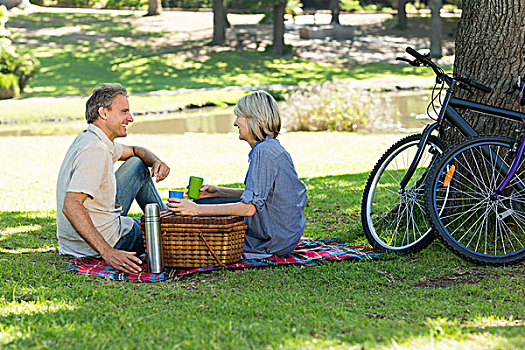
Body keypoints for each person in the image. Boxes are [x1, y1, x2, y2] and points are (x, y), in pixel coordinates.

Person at [167, 90, 307, 259]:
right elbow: (266, 196)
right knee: (212, 200)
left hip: (272, 241)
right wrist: (218, 192)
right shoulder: (269, 147)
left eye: (239, 116)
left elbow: (248, 208)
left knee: (198, 227)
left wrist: (195, 210)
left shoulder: (265, 152)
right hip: (284, 234)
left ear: (254, 118)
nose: (235, 123)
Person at [56, 83, 170, 273]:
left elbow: (135, 151)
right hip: (97, 245)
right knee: (152, 230)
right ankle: (169, 227)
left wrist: (156, 161)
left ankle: (165, 221)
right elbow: (71, 205)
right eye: (124, 111)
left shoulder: (92, 138)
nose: (130, 118)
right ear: (104, 113)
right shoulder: (96, 150)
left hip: (75, 243)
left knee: (137, 163)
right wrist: (108, 252)